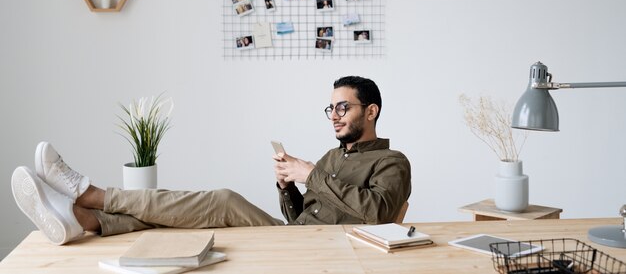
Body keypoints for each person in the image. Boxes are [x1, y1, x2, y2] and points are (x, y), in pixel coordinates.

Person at [11, 76, 411, 245]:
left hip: (327, 249)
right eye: (331, 108)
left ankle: (89, 193)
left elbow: (377, 213)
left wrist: (312, 175)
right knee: (195, 212)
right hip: (295, 236)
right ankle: (81, 218)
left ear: (371, 111)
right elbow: (298, 217)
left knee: (221, 200)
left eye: (344, 107)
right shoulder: (332, 157)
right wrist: (288, 186)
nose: (335, 115)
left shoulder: (392, 162)